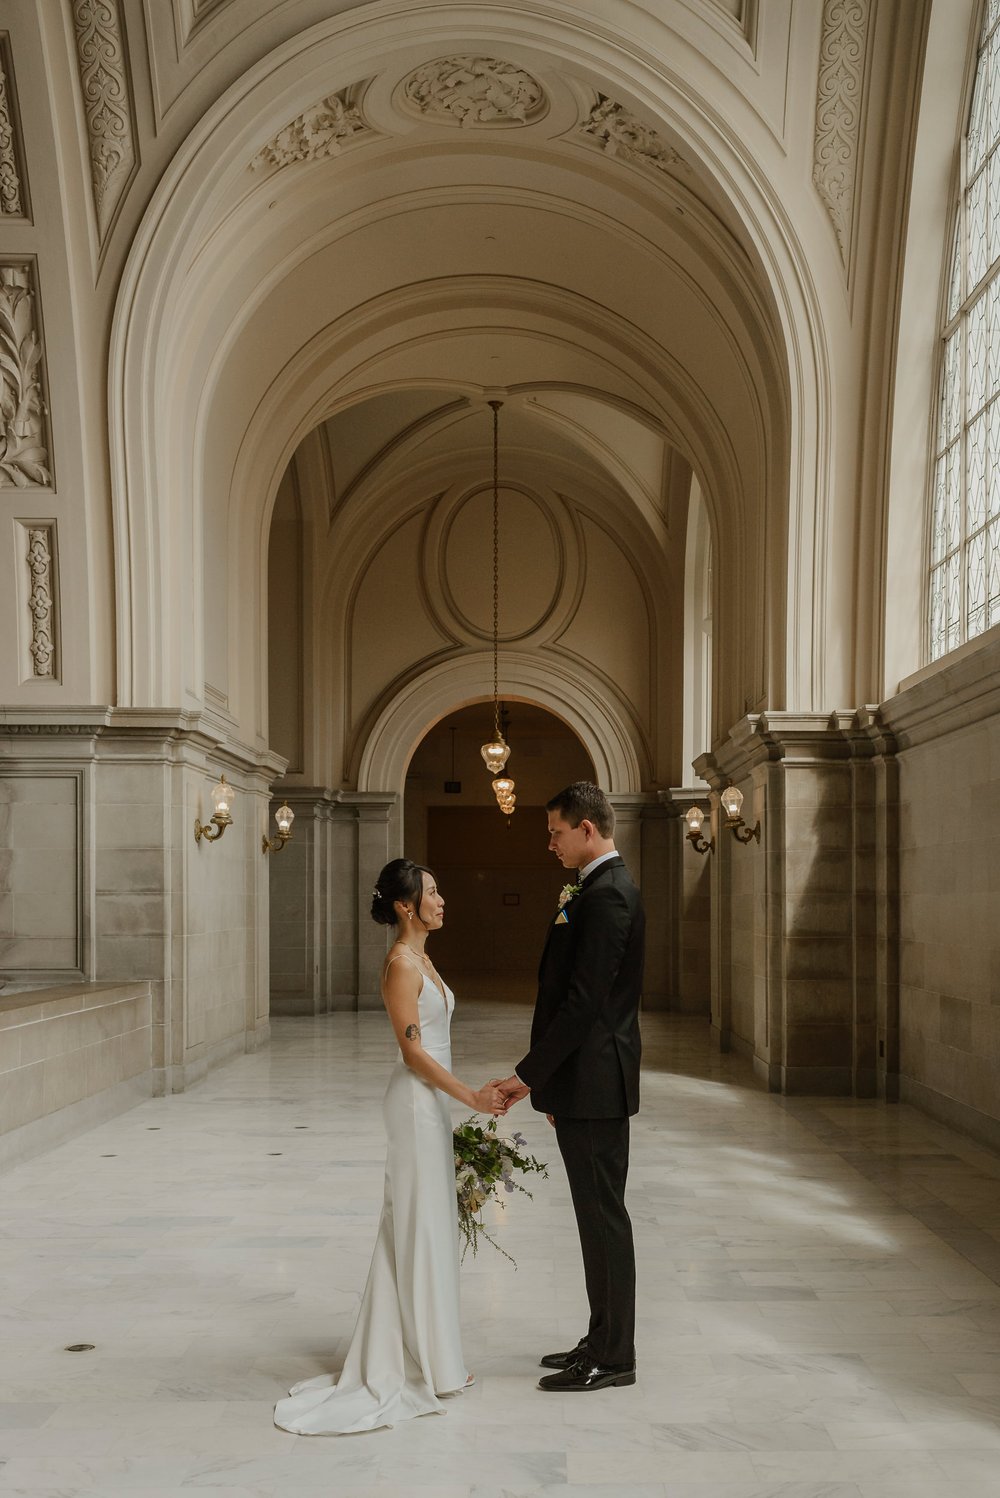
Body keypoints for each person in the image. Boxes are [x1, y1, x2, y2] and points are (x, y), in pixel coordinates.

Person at [274, 858, 506, 1435]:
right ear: (406, 906)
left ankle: (435, 1356)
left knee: (428, 1225)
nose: (442, 900)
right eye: (432, 893)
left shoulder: (422, 957)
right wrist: (470, 1099)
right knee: (418, 1226)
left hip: (432, 1102)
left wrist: (461, 1097)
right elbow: (413, 1054)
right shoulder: (402, 965)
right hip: (414, 1102)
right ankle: (426, 1362)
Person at [496, 781, 644, 1392]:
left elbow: (584, 1004)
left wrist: (529, 1077)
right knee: (592, 1215)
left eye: (556, 832)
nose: (550, 842)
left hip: (596, 1080)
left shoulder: (608, 896)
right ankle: (601, 1336)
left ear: (587, 828)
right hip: (581, 1082)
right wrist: (554, 1083)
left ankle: (615, 1358)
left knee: (604, 1217)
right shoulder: (589, 888)